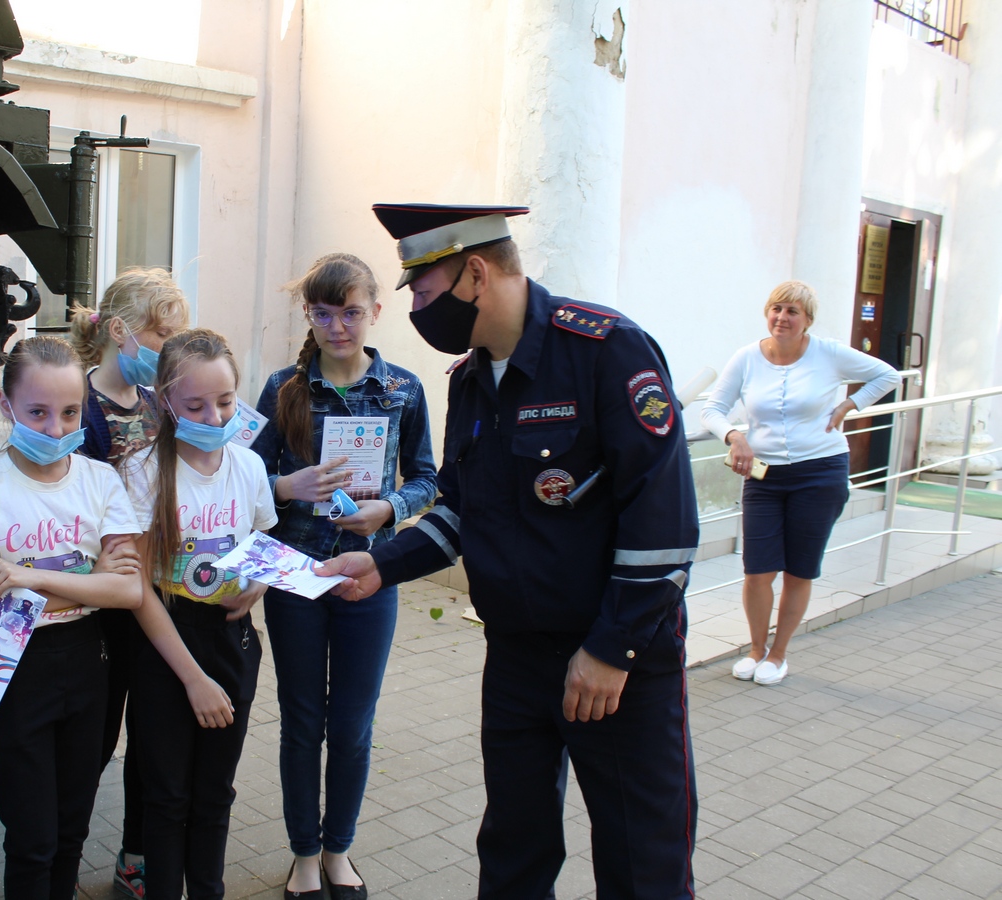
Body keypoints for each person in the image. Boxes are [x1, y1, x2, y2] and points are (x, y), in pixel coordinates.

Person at [314, 203, 701, 899]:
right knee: (513, 853)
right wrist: (381, 563)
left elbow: (664, 522)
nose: (419, 314)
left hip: (618, 665)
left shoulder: (607, 352)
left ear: (476, 273)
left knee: (642, 862)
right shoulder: (470, 382)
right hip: (518, 659)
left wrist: (613, 650)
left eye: (426, 295)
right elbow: (465, 510)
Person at [0, 335, 144, 900]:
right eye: (38, 412)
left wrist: (31, 576)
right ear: (6, 405)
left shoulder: (99, 480)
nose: (54, 428)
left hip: (87, 659)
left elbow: (128, 590)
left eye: (70, 412)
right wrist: (89, 579)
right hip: (11, 665)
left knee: (72, 825)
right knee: (31, 836)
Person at [251, 253, 437, 899]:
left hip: (368, 578)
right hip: (296, 579)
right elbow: (246, 483)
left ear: (374, 313)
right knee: (302, 721)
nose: (337, 326)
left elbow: (427, 478)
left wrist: (389, 508)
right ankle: (304, 852)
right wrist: (284, 483)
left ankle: (339, 850)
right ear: (310, 314)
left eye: (350, 312)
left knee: (354, 725)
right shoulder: (283, 388)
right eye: (324, 313)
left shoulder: (403, 389)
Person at [119, 328, 278, 900]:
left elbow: (262, 541)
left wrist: (256, 586)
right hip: (167, 644)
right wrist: (192, 679)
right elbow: (136, 585)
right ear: (165, 402)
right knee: (167, 796)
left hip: (231, 641)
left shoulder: (248, 466)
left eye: (226, 401)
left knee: (215, 793)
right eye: (195, 405)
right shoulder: (142, 472)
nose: (213, 415)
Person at [701, 280, 900, 686]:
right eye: (776, 308)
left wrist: (850, 403)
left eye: (792, 311)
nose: (782, 317)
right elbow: (713, 408)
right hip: (764, 476)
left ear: (807, 320)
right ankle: (755, 650)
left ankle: (778, 655)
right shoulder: (747, 358)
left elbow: (887, 375)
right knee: (757, 571)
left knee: (799, 570)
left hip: (821, 471)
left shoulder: (827, 353)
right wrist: (735, 436)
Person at [69, 267, 191, 899]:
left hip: (155, 601)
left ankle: (136, 854)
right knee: (92, 743)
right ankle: (63, 856)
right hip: (96, 606)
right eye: (159, 334)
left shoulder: (160, 403)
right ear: (119, 331)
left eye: (176, 337)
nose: (168, 350)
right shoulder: (76, 404)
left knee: (152, 738)